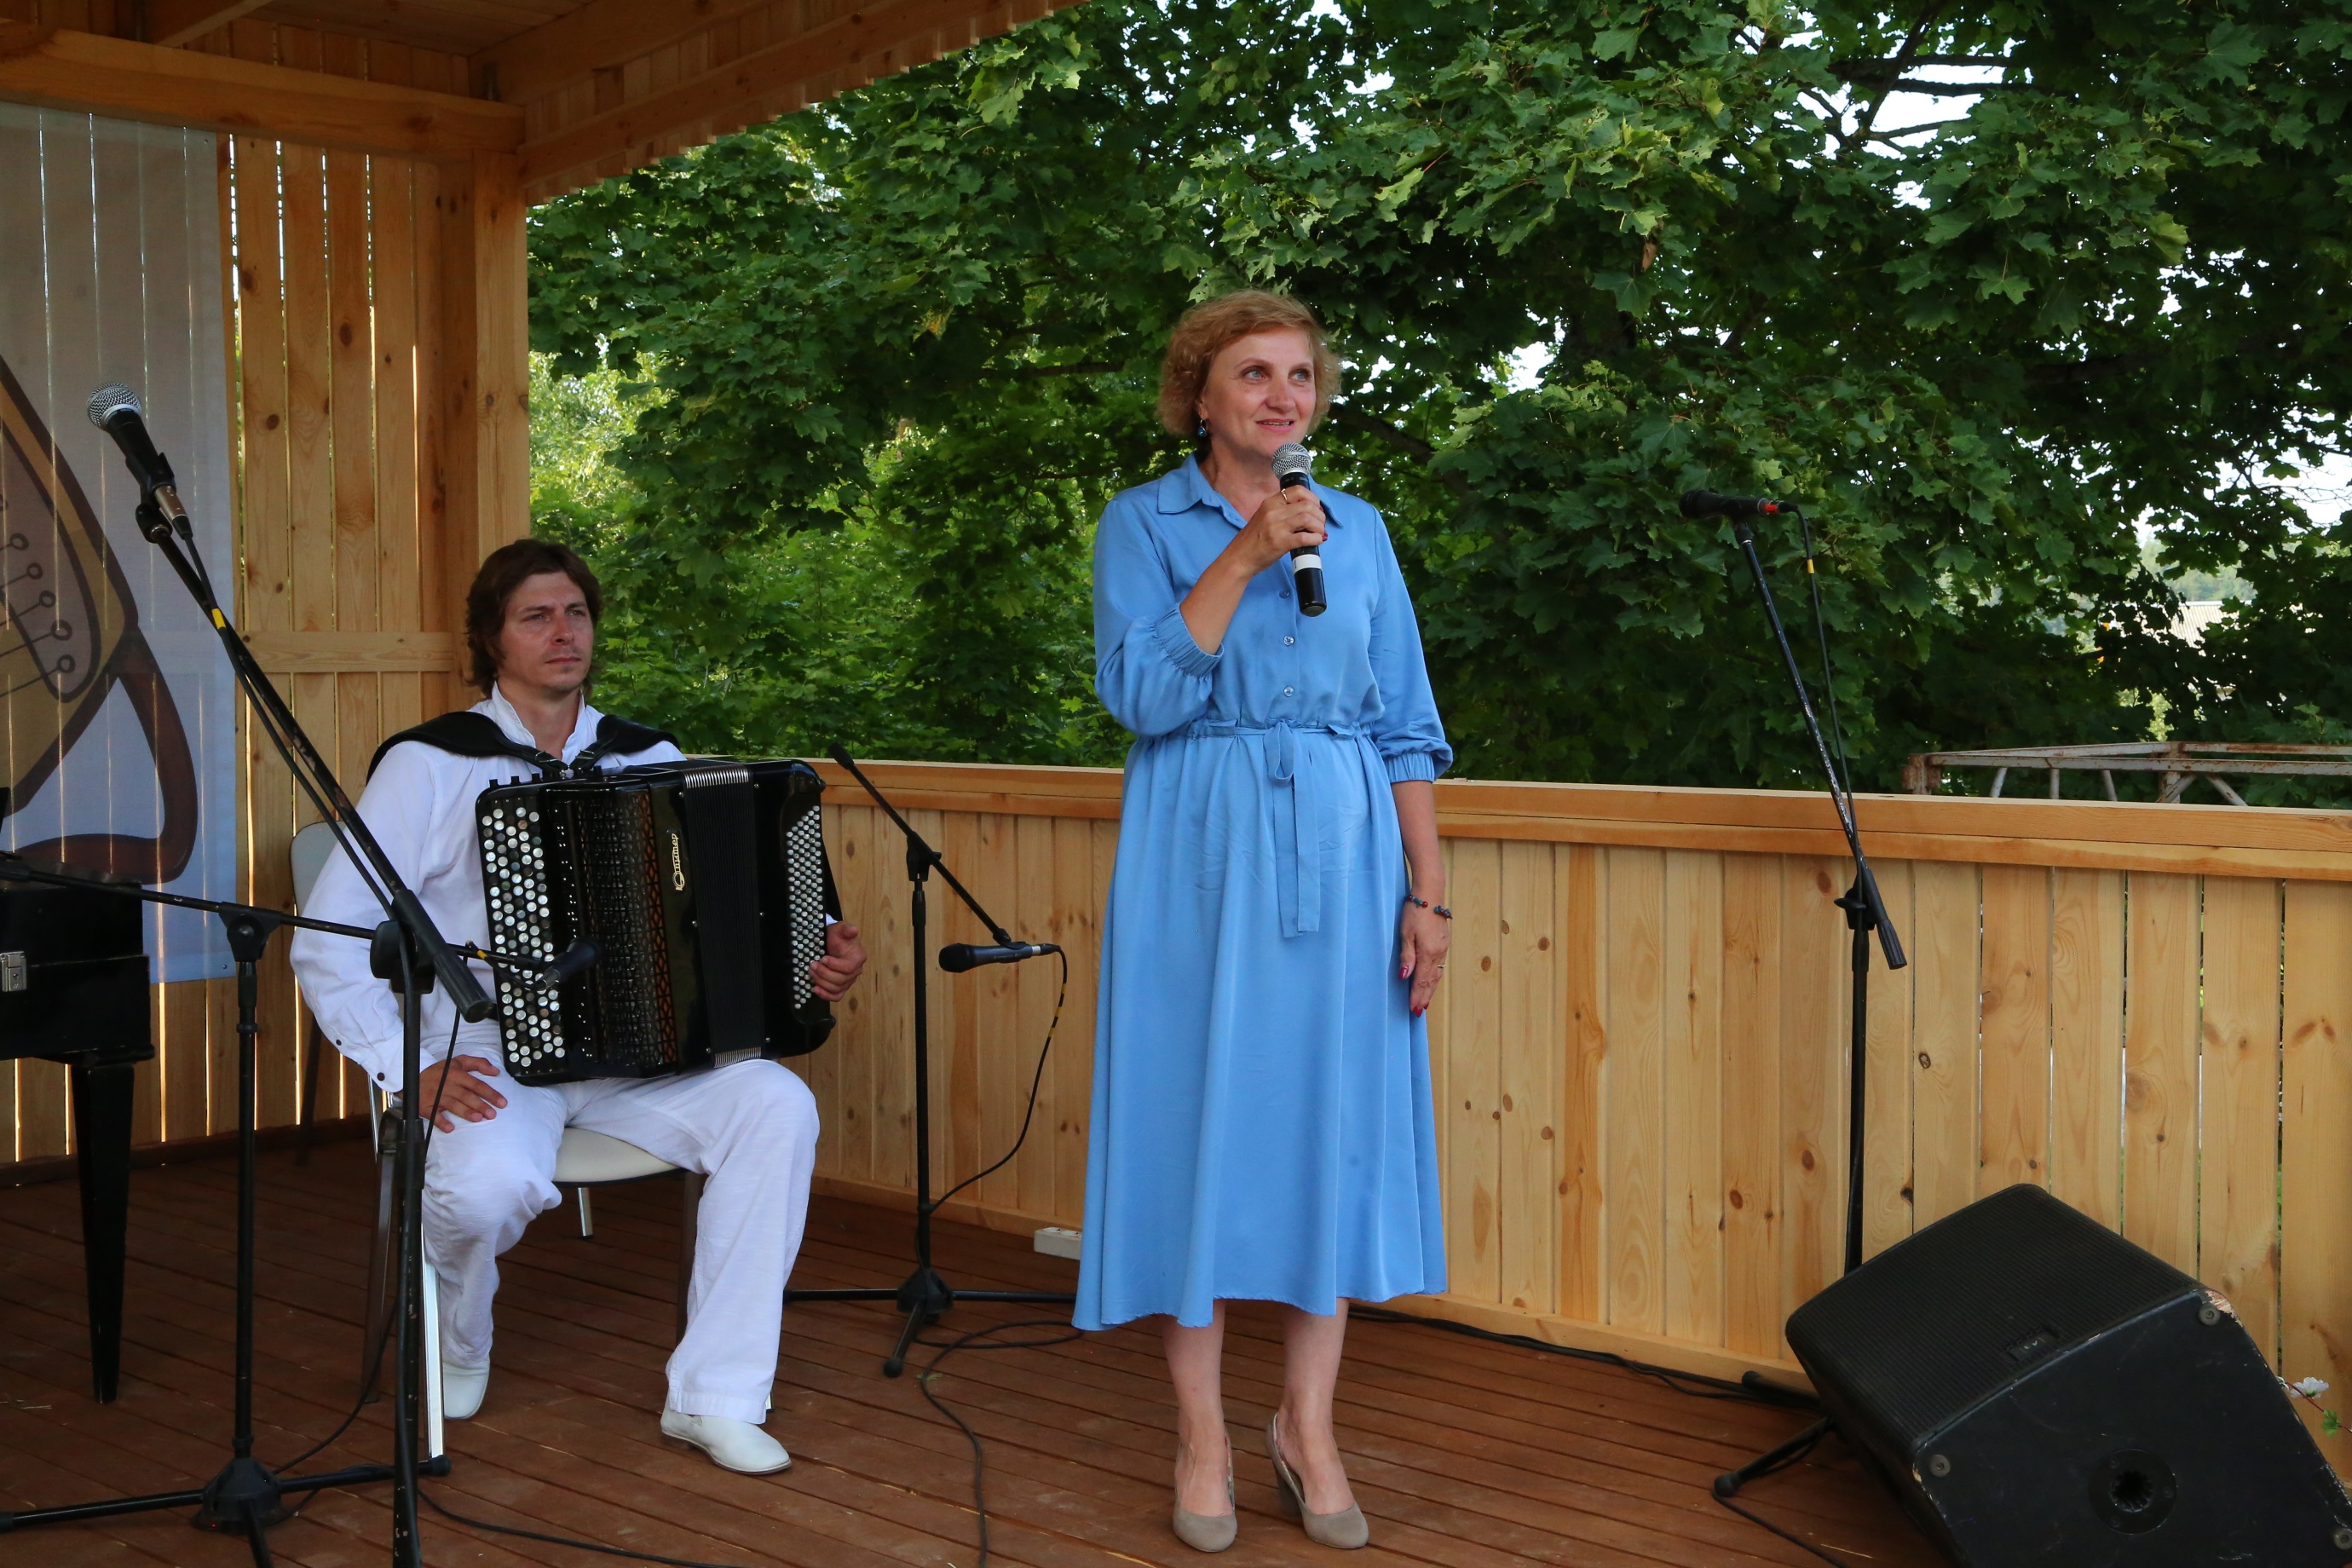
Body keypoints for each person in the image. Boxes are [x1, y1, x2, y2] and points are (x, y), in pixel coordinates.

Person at [291, 539, 867, 1476]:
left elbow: (722, 909)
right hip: (489, 1045)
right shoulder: (430, 764)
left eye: (576, 613)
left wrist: (811, 961)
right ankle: (458, 1333)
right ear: (492, 638)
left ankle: (716, 1396)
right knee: (485, 1189)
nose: (564, 633)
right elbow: (328, 939)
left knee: (777, 1106)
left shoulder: (648, 755)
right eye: (536, 616)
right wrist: (409, 1067)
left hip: (644, 1051)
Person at [1079, 291, 1451, 1553]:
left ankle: (1308, 1426)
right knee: (1196, 1130)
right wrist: (1243, 556)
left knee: (1325, 1134)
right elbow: (1141, 696)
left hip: (1344, 859)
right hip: (1198, 851)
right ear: (1200, 396)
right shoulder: (1142, 523)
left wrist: (1428, 892)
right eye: (1254, 374)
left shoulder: (1362, 530)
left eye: (1300, 375)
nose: (1284, 395)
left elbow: (1405, 725)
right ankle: (1200, 1435)